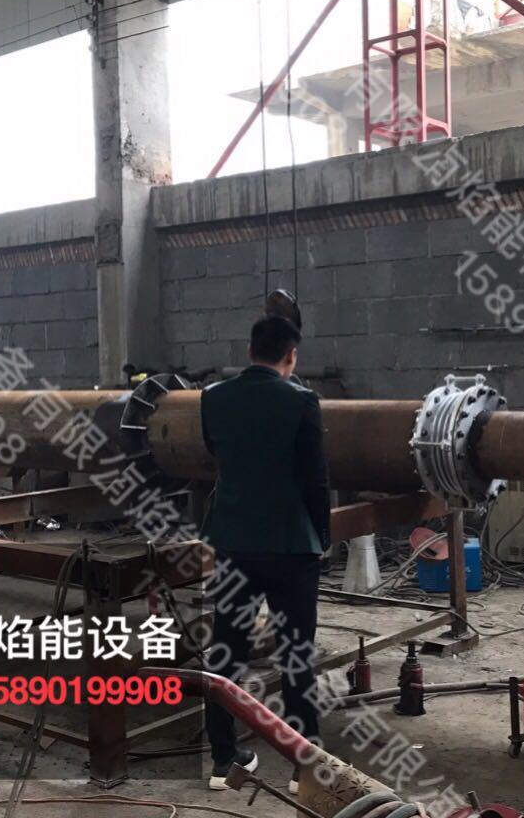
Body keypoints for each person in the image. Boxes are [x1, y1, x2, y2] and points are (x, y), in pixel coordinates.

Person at [199, 315, 331, 791]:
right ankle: (303, 765)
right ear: (291, 356)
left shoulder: (212, 398)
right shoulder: (302, 401)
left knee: (226, 652)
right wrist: (321, 537)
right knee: (295, 654)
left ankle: (222, 761)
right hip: (291, 546)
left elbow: (217, 454)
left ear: (250, 350)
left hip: (233, 543)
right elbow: (316, 479)